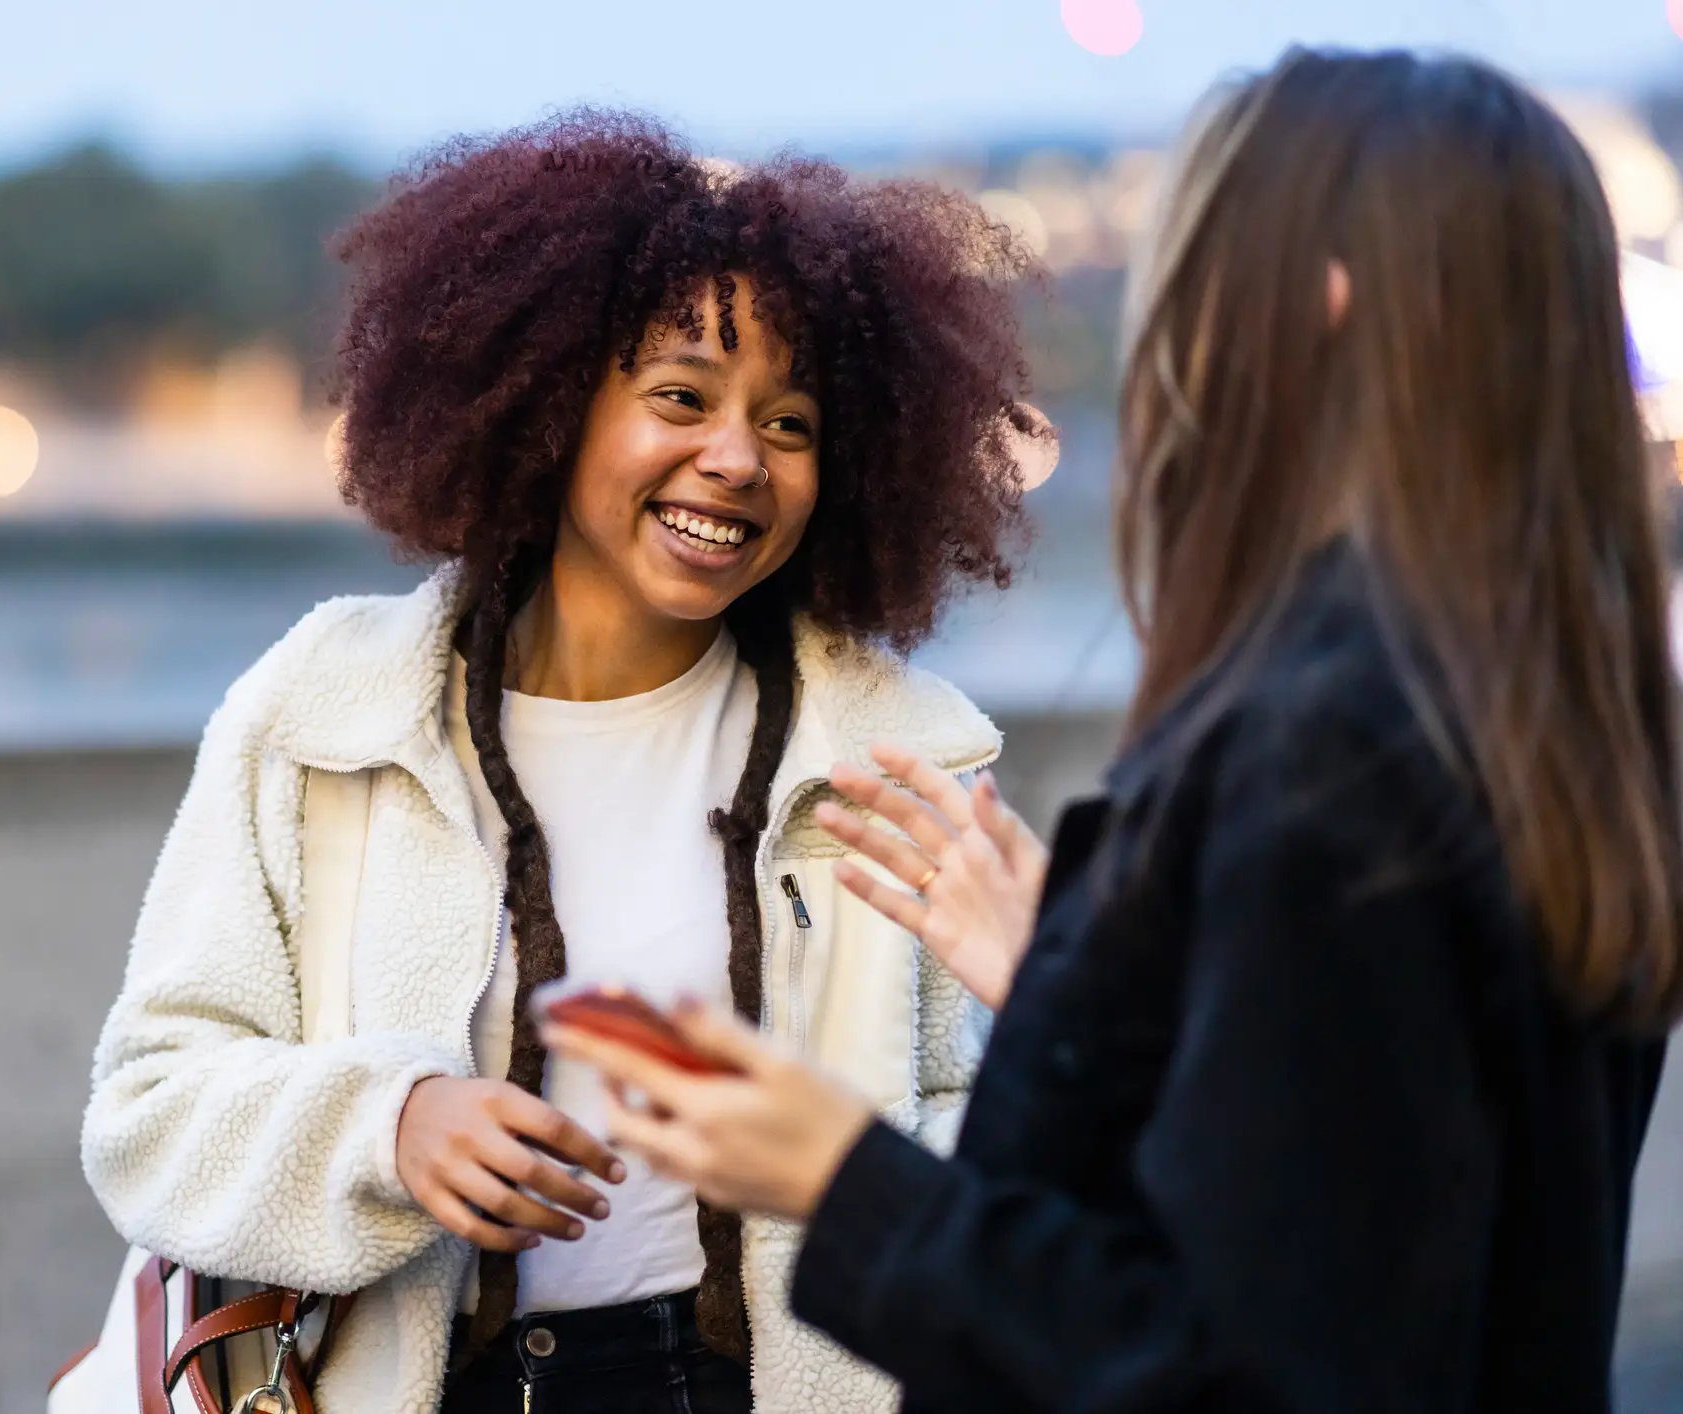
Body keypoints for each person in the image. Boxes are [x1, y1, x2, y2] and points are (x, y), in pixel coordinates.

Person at [547, 50, 1681, 1413]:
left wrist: (840, 1176)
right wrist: (1089, 1004)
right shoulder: (1546, 718)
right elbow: (1375, 1244)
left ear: (1320, 299)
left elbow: (1241, 1372)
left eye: (1201, 263)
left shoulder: (1330, 749)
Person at [79, 112, 1046, 1413]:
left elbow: (1003, 1183)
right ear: (547, 400)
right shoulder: (325, 711)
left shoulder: (897, 762)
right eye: (680, 396)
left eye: (793, 421)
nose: (738, 457)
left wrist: (1037, 1022)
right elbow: (148, 1111)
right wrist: (393, 1125)